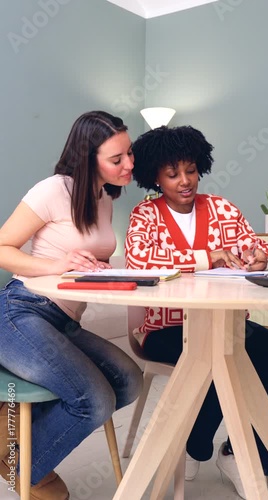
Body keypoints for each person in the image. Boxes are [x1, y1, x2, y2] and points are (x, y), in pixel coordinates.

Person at [125, 124, 268, 499]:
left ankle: (248, 457)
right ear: (155, 177)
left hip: (228, 325)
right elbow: (138, 261)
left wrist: (261, 258)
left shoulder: (222, 208)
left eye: (191, 169)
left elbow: (262, 250)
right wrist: (203, 257)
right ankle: (196, 446)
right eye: (173, 173)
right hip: (165, 330)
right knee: (213, 359)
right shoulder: (146, 215)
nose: (185, 181)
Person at [0, 110, 143, 499]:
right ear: (87, 157)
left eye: (129, 153)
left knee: (128, 381)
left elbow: (82, 256)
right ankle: (22, 467)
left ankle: (14, 441)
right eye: (117, 159)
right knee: (93, 399)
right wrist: (56, 265)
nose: (129, 164)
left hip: (63, 320)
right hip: (20, 311)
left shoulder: (103, 198)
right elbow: (2, 248)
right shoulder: (52, 190)